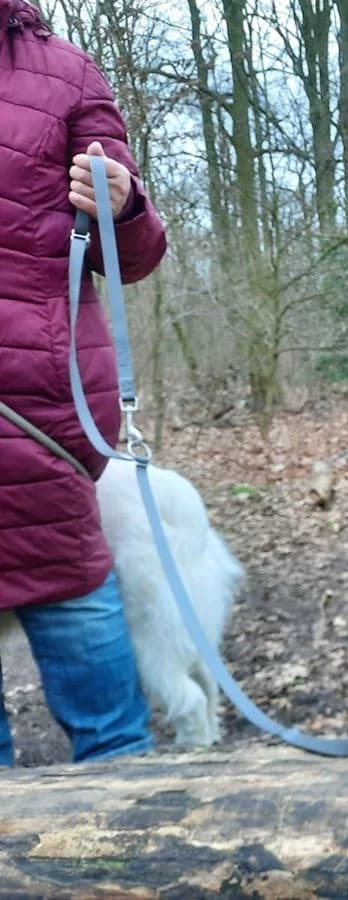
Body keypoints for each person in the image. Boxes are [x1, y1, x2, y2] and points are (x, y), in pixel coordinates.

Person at [0, 0, 168, 765]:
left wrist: (122, 201)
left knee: (111, 743)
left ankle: (125, 863)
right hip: (45, 421)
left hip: (41, 427)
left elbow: (130, 256)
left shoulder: (65, 72)